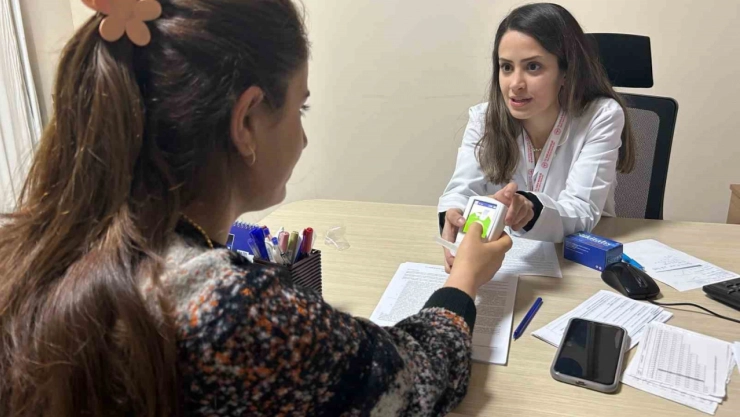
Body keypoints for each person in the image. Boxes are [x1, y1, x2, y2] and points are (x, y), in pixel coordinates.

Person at [0, 0, 512, 416]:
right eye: (299, 107)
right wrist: (464, 279)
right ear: (246, 122)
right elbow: (417, 382)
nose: (304, 137)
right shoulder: (229, 314)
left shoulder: (31, 255)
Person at [439, 3, 635, 272]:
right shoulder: (483, 118)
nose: (515, 84)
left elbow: (582, 210)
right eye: (506, 67)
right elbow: (461, 189)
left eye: (533, 67)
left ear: (565, 71)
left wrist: (530, 209)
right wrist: (452, 214)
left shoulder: (600, 116)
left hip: (578, 263)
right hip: (506, 261)